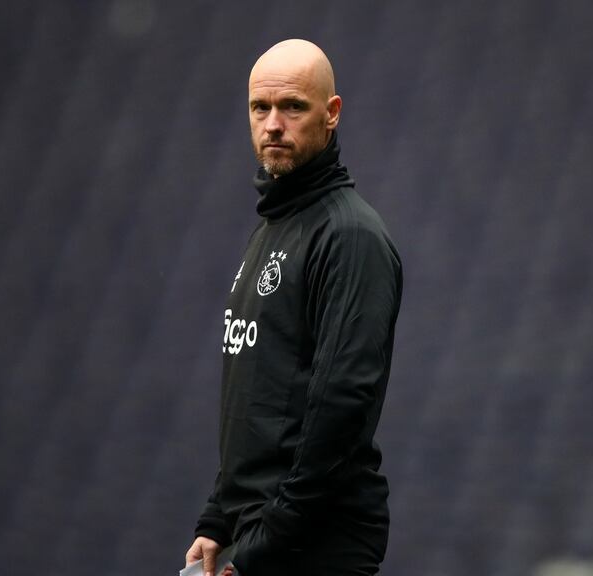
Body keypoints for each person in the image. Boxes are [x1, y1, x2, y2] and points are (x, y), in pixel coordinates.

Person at [185, 39, 402, 576]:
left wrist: (267, 540)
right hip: (264, 538)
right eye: (261, 108)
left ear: (331, 115)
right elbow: (258, 395)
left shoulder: (349, 236)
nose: (273, 124)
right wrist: (219, 520)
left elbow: (341, 404)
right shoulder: (274, 229)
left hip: (311, 548)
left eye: (293, 107)